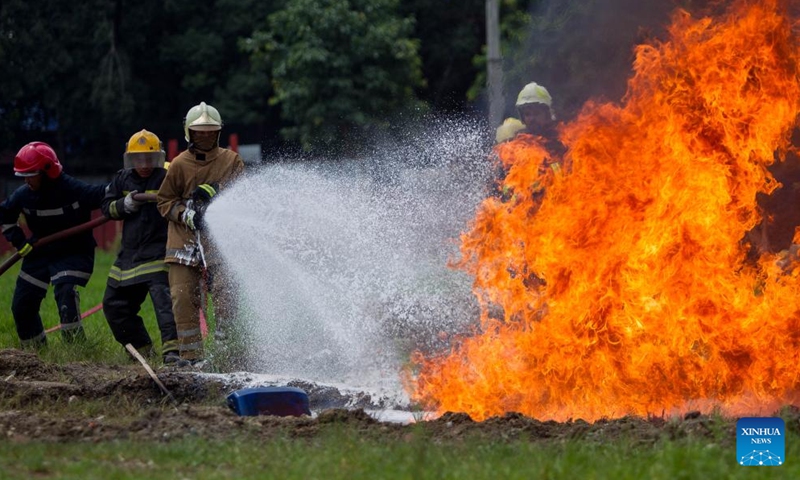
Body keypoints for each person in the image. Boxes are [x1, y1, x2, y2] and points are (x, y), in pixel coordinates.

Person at [157, 101, 245, 367]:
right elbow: (164, 201)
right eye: (199, 131)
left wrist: (216, 190)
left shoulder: (231, 160)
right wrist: (186, 214)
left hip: (221, 242)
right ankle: (191, 357)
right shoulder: (178, 165)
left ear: (218, 132)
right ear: (189, 133)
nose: (205, 135)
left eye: (210, 131)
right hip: (183, 242)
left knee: (227, 294)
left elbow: (242, 193)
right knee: (183, 297)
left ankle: (225, 353)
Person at [0, 142, 106, 348]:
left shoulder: (71, 189)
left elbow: (101, 194)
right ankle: (35, 353)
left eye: (31, 174)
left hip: (74, 251)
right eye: (24, 176)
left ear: (48, 171)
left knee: (65, 291)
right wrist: (20, 242)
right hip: (39, 252)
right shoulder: (23, 195)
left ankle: (74, 349)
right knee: (22, 305)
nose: (27, 180)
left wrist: (123, 197)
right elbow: (5, 215)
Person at [101, 130, 180, 363]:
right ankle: (142, 351)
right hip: (128, 256)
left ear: (158, 157)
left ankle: (173, 353)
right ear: (130, 159)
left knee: (164, 303)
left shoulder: (167, 176)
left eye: (149, 159)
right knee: (113, 305)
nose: (144, 164)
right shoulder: (122, 179)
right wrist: (123, 204)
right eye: (138, 159)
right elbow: (106, 207)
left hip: (159, 252)